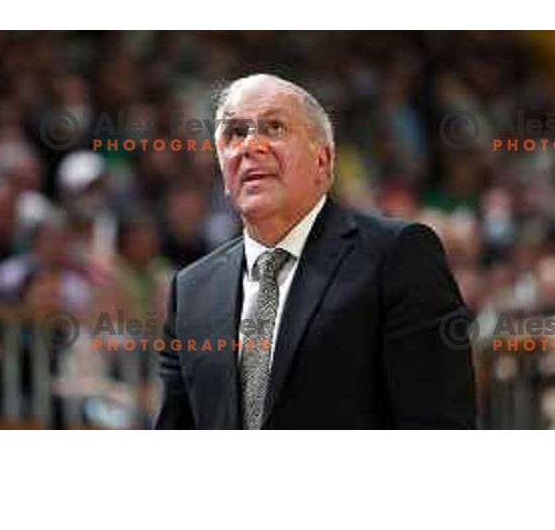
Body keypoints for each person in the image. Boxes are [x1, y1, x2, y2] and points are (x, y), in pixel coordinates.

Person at [153, 74, 476, 430]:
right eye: (235, 134)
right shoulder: (190, 289)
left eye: (274, 128)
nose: (250, 146)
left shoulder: (397, 256)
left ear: (323, 161)